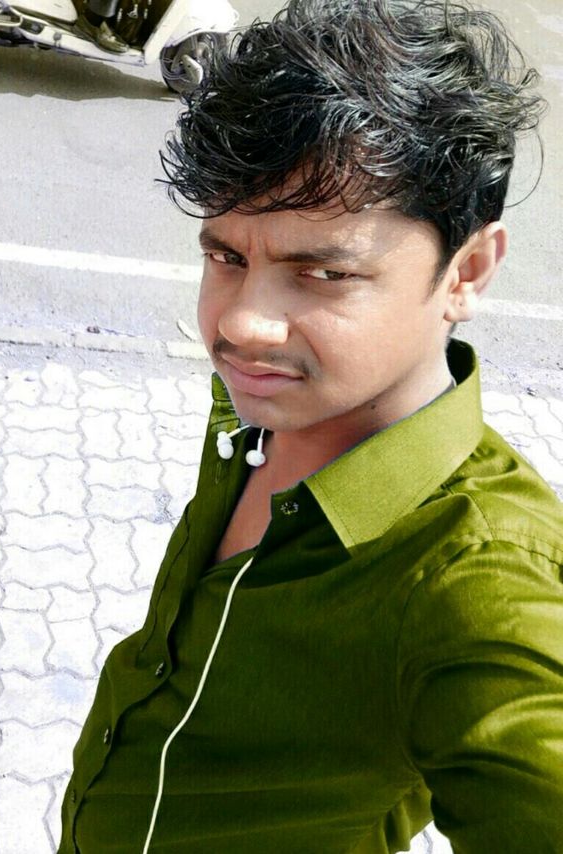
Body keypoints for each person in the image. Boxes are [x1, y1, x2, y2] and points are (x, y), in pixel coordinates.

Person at [58, 1, 563, 851]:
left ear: (467, 271)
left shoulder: (477, 585)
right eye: (226, 257)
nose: (241, 324)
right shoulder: (265, 405)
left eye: (324, 273)